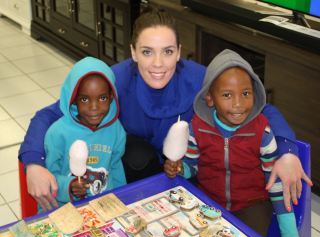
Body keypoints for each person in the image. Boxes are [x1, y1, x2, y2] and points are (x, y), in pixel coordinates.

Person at [18, 7, 311, 212]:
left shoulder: (200, 79)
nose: (158, 64)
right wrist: (34, 163)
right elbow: (50, 114)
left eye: (167, 52)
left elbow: (261, 111)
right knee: (135, 153)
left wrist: (286, 151)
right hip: (135, 177)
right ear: (133, 52)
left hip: (190, 176)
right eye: (147, 52)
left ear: (179, 51)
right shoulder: (115, 79)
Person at [164, 49, 298, 237]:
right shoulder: (197, 128)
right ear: (210, 99)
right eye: (227, 95)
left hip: (252, 207)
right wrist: (178, 169)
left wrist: (290, 235)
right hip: (208, 202)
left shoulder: (263, 133)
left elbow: (276, 185)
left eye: (245, 93)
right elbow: (193, 166)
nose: (238, 104)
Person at [41, 57, 126, 210]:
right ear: (73, 100)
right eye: (85, 99)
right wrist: (69, 186)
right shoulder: (57, 133)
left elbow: (115, 168)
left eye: (102, 98)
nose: (94, 107)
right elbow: (47, 178)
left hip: (102, 206)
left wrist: (124, 198)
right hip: (65, 208)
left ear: (111, 98)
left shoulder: (116, 130)